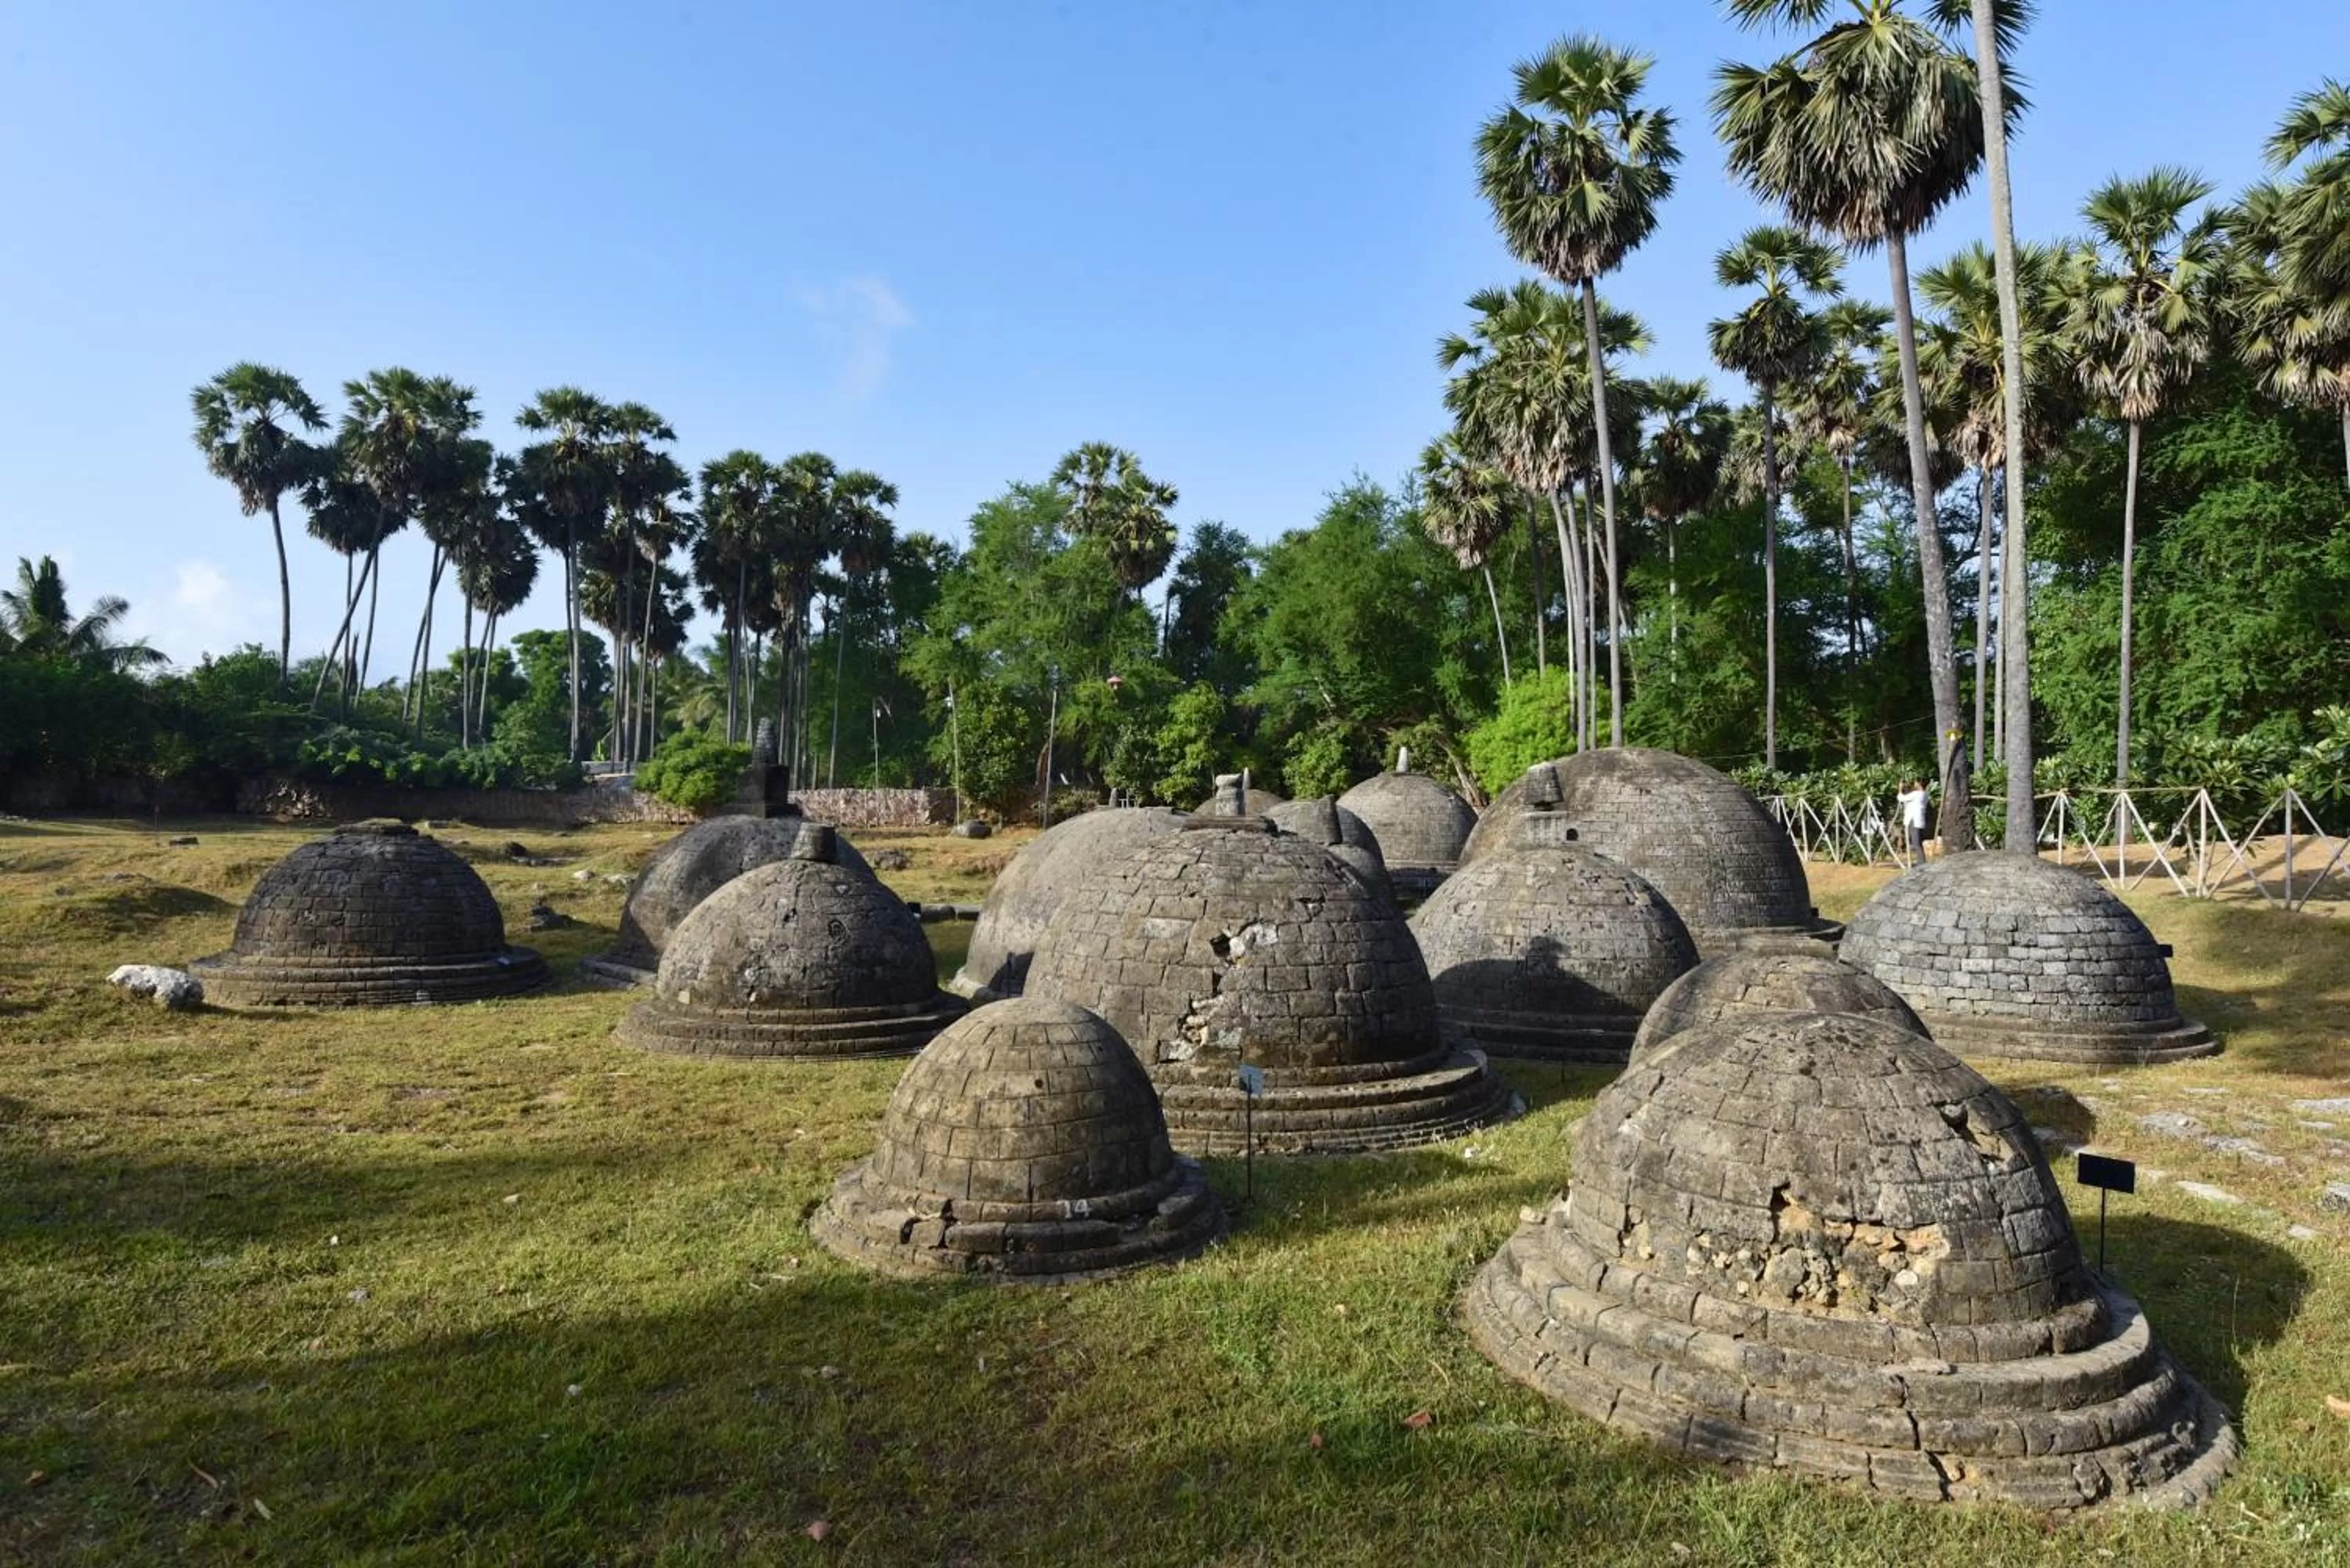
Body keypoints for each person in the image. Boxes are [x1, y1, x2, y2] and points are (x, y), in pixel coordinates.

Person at [1897, 778, 1931, 864]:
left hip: (1914, 821)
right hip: (1919, 821)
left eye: (1916, 783)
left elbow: (1901, 798)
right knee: (1917, 843)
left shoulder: (1916, 794)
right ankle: (1921, 862)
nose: (1914, 784)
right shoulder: (1925, 794)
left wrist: (1900, 789)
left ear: (1919, 784)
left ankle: (1922, 864)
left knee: (1916, 844)